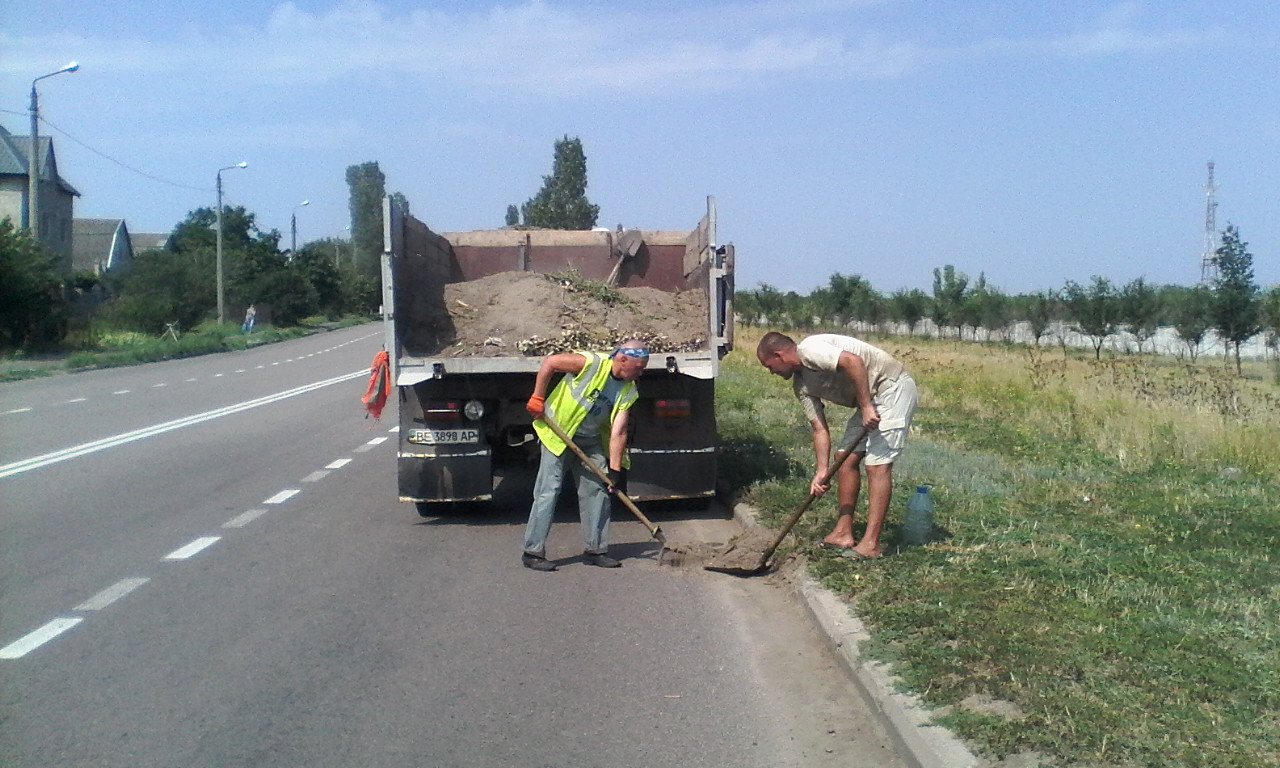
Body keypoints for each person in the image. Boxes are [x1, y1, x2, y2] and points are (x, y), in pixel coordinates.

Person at [756, 331, 917, 559]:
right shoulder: (801, 386)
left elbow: (853, 361)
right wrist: (821, 472)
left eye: (769, 366)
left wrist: (866, 407)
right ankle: (843, 533)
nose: (771, 372)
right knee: (844, 459)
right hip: (869, 400)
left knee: (876, 465)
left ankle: (871, 544)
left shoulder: (810, 349)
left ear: (778, 354)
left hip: (891, 387)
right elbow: (819, 428)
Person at [520, 339, 649, 571]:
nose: (641, 372)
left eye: (643, 367)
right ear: (622, 360)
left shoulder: (629, 389)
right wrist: (538, 397)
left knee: (597, 491)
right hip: (557, 434)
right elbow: (550, 362)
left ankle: (595, 550)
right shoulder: (591, 363)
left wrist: (616, 469)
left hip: (589, 441)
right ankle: (532, 552)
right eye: (638, 367)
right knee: (548, 491)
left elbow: (619, 431)